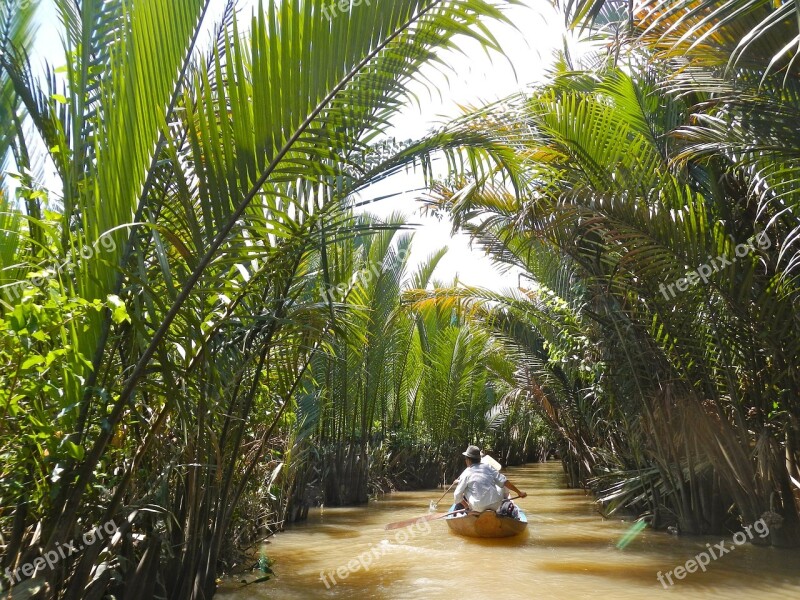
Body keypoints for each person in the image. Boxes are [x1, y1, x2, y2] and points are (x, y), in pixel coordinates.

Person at [453, 445, 526, 513]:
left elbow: (457, 495)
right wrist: (519, 493)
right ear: (479, 459)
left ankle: (472, 511)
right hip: (495, 505)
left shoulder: (466, 472)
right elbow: (504, 481)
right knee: (501, 483)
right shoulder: (488, 467)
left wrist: (467, 506)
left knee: (463, 489)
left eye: (466, 459)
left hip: (477, 507)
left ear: (468, 460)